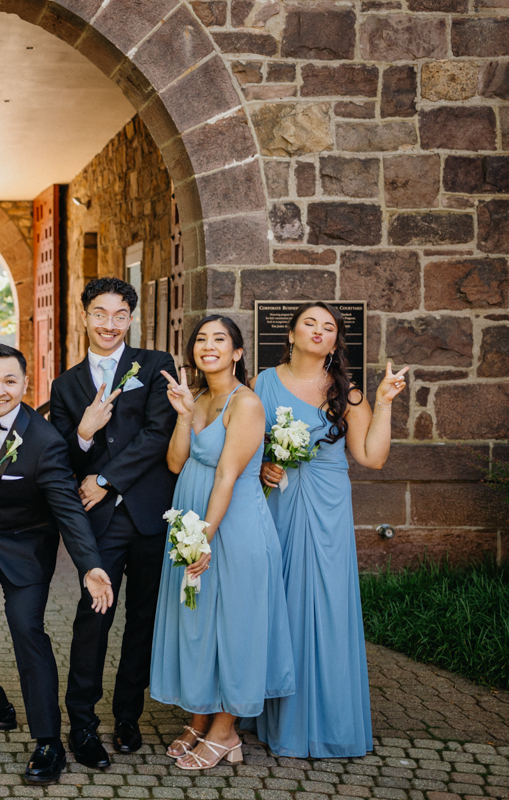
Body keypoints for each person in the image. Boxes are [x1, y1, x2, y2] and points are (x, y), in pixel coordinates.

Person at [0, 343, 114, 785]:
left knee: (26, 632)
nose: (0, 390)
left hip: (25, 549)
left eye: (11, 381)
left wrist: (89, 564)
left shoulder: (45, 442)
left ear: (26, 384)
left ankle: (48, 742)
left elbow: (68, 511)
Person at [249, 302, 408, 758]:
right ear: (292, 334)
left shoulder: (346, 391)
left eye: (329, 327)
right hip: (278, 503)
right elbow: (242, 440)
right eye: (309, 324)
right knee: (280, 600)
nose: (319, 332)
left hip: (327, 506)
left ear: (336, 341)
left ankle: (328, 719)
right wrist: (262, 464)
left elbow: (371, 456)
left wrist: (385, 403)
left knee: (327, 604)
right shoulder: (263, 382)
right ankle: (271, 712)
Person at [150, 317, 295, 770]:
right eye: (201, 339)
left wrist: (203, 539)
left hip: (231, 526)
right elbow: (176, 462)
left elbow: (228, 476)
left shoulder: (245, 403)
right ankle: (199, 717)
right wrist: (183, 416)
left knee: (235, 624)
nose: (208, 346)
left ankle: (226, 729)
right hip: (195, 516)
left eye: (219, 340)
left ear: (237, 353)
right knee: (198, 620)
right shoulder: (197, 397)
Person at [48, 277, 178, 765]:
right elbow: (60, 453)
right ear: (85, 315)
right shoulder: (66, 385)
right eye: (99, 313)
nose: (108, 323)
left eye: (119, 314)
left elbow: (158, 432)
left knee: (142, 621)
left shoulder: (155, 365)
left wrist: (104, 477)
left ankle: (127, 715)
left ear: (130, 318)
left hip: (149, 515)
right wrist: (83, 434)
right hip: (99, 524)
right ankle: (82, 723)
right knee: (92, 622)